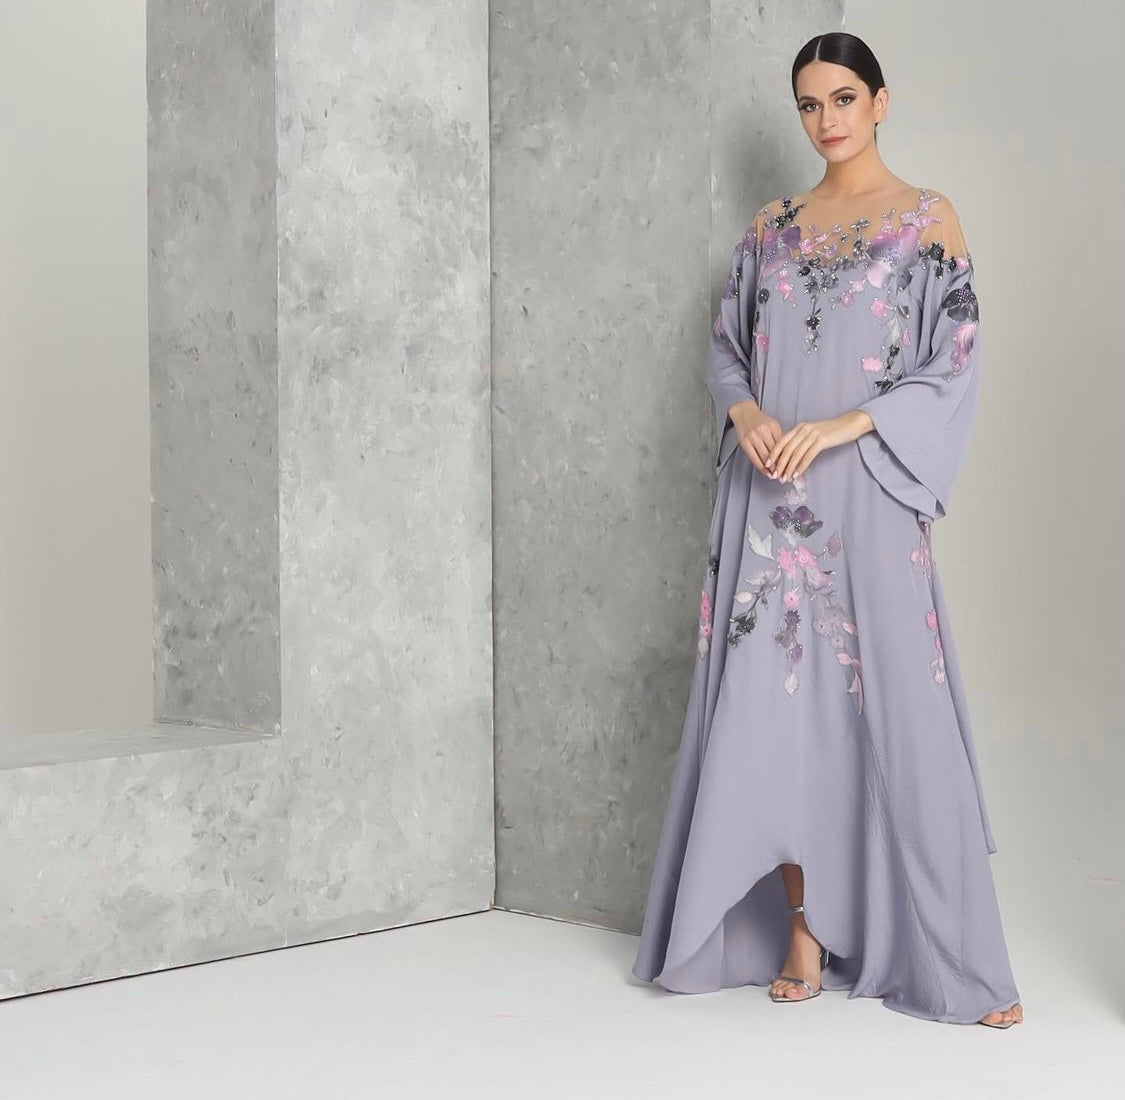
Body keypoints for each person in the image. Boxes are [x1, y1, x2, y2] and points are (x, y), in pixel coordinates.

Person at [630, 31, 1024, 1028]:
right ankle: (802, 933)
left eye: (843, 98)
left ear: (880, 101)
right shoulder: (771, 225)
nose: (825, 120)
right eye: (808, 104)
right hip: (769, 501)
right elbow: (726, 349)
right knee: (774, 717)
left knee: (904, 715)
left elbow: (953, 356)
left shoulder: (926, 218)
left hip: (867, 490)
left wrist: (845, 424)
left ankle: (957, 959)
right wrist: (748, 414)